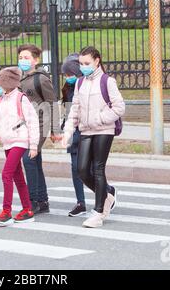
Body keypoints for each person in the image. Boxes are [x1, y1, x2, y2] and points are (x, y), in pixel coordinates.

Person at [62, 47, 125, 228]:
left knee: (98, 169)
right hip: (86, 130)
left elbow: (119, 107)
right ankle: (106, 194)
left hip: (104, 130)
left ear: (97, 61)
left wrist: (100, 119)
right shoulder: (81, 83)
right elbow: (74, 109)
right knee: (82, 170)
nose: (83, 67)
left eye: (87, 63)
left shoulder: (107, 81)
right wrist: (68, 131)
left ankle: (98, 212)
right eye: (81, 64)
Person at [0, 67, 40, 226]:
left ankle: (6, 212)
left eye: (0, 83)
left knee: (6, 174)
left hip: (20, 140)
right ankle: (27, 210)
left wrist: (34, 145)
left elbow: (32, 121)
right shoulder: (0, 100)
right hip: (7, 142)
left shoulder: (21, 99)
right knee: (18, 177)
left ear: (8, 83)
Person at [17, 44, 62, 214]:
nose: (23, 60)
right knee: (35, 162)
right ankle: (42, 201)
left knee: (29, 159)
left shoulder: (41, 79)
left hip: (41, 124)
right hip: (26, 125)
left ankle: (33, 200)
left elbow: (52, 103)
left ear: (36, 60)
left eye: (26, 57)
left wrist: (55, 130)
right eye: (21, 57)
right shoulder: (20, 79)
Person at [61, 53, 87, 217]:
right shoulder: (68, 88)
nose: (67, 77)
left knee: (88, 169)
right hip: (73, 133)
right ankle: (80, 202)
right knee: (75, 168)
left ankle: (107, 193)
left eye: (70, 74)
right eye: (66, 75)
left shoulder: (87, 87)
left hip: (86, 132)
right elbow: (67, 111)